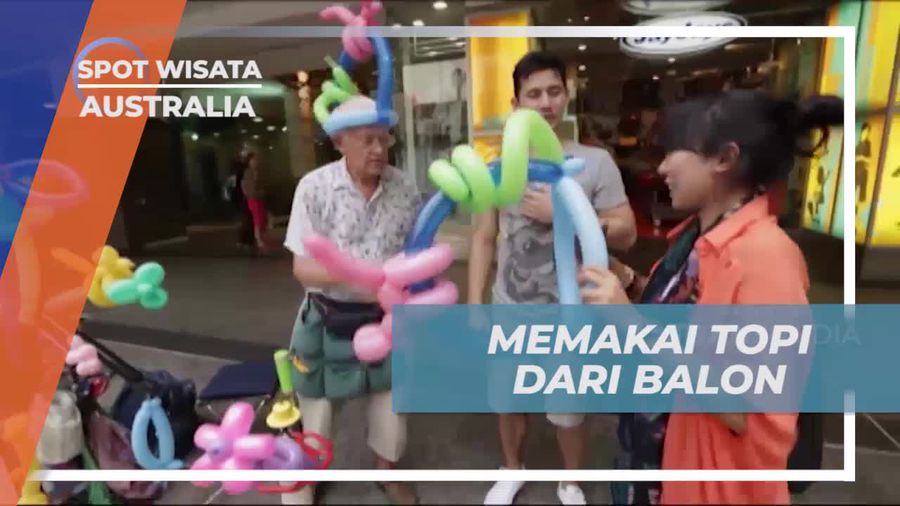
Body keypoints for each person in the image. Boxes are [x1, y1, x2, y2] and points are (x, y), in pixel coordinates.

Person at [577, 89, 843, 504]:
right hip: (654, 459)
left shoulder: (766, 259)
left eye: (674, 151)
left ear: (724, 158)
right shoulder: (699, 237)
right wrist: (625, 278)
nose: (662, 167)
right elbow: (684, 316)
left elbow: (741, 407)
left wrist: (628, 323)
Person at [469, 51, 637, 506]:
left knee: (568, 409)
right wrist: (475, 305)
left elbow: (628, 231)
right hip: (510, 304)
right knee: (506, 398)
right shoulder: (498, 166)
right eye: (534, 94)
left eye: (554, 91)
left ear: (568, 95)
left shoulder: (594, 162)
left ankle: (571, 481)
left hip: (570, 313)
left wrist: (565, 212)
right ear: (516, 102)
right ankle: (511, 468)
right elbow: (485, 237)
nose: (545, 103)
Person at [282, 96, 421, 505]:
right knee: (316, 411)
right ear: (340, 141)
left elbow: (416, 252)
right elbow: (302, 269)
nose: (379, 149)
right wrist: (365, 274)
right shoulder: (314, 187)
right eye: (368, 140)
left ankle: (386, 471)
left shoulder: (404, 187)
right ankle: (304, 483)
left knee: (392, 404)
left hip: (386, 319)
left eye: (384, 139)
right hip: (327, 316)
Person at [241, 151, 271, 252]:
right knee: (257, 218)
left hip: (260, 197)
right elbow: (246, 186)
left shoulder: (259, 172)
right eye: (253, 160)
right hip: (253, 198)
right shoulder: (248, 172)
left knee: (262, 218)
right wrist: (249, 194)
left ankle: (261, 237)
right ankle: (258, 239)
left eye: (256, 160)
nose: (255, 162)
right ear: (249, 161)